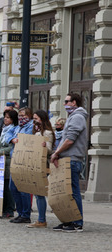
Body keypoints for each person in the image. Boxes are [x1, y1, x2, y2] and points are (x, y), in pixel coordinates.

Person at [51, 93, 88, 233]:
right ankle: (67, 220)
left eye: (66, 101)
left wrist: (56, 153)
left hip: (72, 159)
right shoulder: (73, 117)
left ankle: (77, 223)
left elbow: (70, 140)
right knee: (66, 193)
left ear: (74, 102)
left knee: (73, 192)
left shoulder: (77, 117)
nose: (64, 104)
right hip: (67, 159)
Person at [26, 110, 55, 228]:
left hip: (44, 165)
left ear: (42, 119)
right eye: (33, 118)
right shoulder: (37, 131)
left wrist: (42, 145)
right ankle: (41, 219)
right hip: (36, 163)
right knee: (38, 193)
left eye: (36, 118)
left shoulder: (47, 133)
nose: (34, 120)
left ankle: (42, 219)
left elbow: (49, 150)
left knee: (39, 193)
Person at [8, 107, 34, 224]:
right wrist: (12, 138)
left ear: (29, 116)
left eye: (24, 116)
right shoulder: (17, 127)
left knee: (23, 189)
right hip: (15, 158)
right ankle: (20, 213)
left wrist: (16, 138)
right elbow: (7, 134)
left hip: (24, 159)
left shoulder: (31, 126)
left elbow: (25, 140)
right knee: (13, 187)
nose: (21, 118)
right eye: (20, 116)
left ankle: (25, 214)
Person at [0, 110, 19, 218]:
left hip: (9, 160)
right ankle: (2, 209)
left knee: (8, 187)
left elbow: (12, 147)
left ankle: (9, 209)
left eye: (8, 117)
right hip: (1, 161)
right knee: (2, 186)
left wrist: (1, 151)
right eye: (5, 117)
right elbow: (0, 142)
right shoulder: (4, 130)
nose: (5, 119)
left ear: (12, 119)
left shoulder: (14, 129)